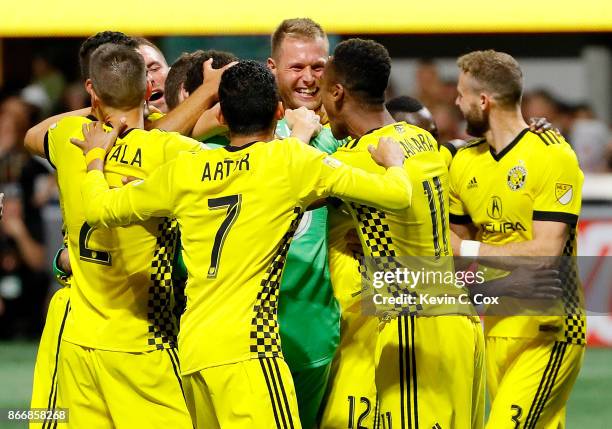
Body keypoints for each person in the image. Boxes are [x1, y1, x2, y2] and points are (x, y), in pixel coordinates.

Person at [72, 60, 413, 429]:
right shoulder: (292, 160)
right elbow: (397, 196)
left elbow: (98, 208)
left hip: (193, 353)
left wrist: (94, 160)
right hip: (251, 352)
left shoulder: (185, 170)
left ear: (221, 114)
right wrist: (394, 163)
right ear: (279, 111)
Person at [25, 42, 225, 428]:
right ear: (146, 90)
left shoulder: (70, 137)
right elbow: (254, 171)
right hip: (144, 341)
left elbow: (34, 136)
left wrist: (100, 106)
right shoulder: (173, 152)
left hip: (81, 341)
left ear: (91, 90)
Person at [321, 38, 485, 429]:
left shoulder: (353, 161)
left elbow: (281, 185)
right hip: (462, 322)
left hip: (413, 323)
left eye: (324, 92)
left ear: (338, 92)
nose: (323, 109)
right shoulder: (424, 140)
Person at [449, 50, 585, 429]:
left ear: (483, 101)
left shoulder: (553, 156)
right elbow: (453, 257)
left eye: (461, 94)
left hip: (550, 329)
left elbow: (545, 253)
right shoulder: (464, 162)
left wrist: (468, 249)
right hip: (495, 325)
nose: (456, 103)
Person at [267, 18, 343, 428]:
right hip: (253, 332)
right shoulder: (240, 131)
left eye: (318, 66)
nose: (309, 78)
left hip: (322, 330)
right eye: (297, 67)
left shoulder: (349, 132)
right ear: (272, 68)